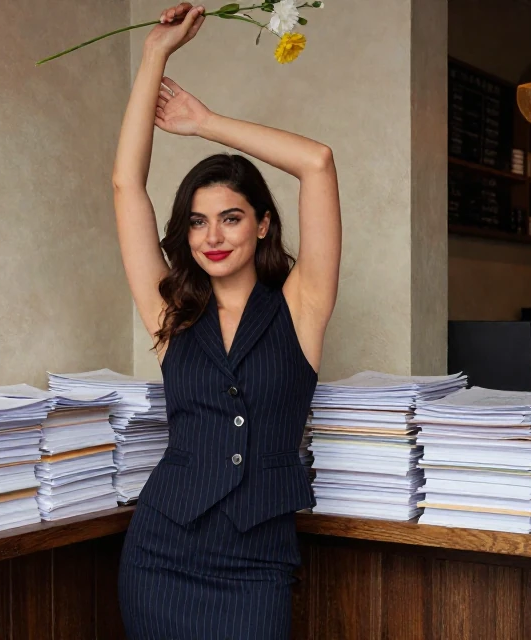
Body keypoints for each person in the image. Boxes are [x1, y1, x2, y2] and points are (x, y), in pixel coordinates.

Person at [111, 3, 342, 638]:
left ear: (263, 223)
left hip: (256, 563)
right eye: (196, 220)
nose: (212, 236)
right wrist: (156, 53)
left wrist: (204, 122)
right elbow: (127, 187)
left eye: (231, 217)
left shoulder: (301, 306)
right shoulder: (172, 310)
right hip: (160, 553)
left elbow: (317, 162)